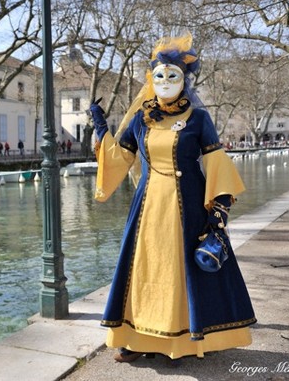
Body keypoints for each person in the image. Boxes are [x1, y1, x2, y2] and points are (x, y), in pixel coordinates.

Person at [89, 33, 255, 366]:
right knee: (147, 269)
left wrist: (219, 207)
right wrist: (100, 129)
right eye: (159, 75)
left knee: (180, 270)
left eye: (173, 75)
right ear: (152, 79)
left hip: (189, 207)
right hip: (148, 206)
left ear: (184, 79)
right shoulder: (140, 118)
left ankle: (181, 341)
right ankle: (138, 339)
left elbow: (216, 161)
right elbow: (121, 158)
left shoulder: (199, 119)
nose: (165, 81)